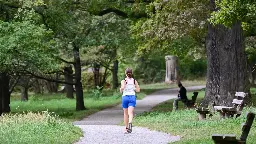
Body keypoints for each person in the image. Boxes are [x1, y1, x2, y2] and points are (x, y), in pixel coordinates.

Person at [120, 68, 140, 133]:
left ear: (125, 74)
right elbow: (138, 90)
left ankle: (126, 128)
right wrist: (133, 88)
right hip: (132, 97)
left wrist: (121, 89)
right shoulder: (134, 81)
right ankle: (130, 122)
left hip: (125, 98)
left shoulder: (123, 81)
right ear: (132, 73)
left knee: (125, 114)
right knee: (130, 113)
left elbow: (122, 89)